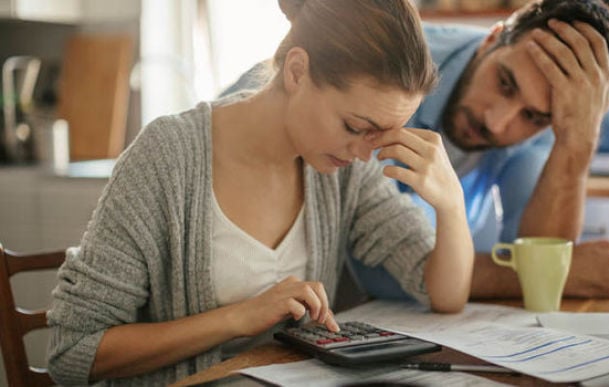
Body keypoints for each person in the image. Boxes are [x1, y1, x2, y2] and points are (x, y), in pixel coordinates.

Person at [46, 0, 474, 385]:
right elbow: (73, 352)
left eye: (380, 135)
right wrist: (236, 318)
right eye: (355, 127)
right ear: (296, 71)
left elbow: (444, 294)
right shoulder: (167, 157)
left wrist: (450, 204)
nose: (365, 154)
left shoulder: (341, 170)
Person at [224, 0, 609, 302]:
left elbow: (539, 272)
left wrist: (577, 141)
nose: (498, 122)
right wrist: (559, 275)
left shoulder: (551, 116)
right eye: (504, 83)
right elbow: (389, 274)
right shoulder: (393, 79)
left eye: (532, 117)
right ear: (492, 38)